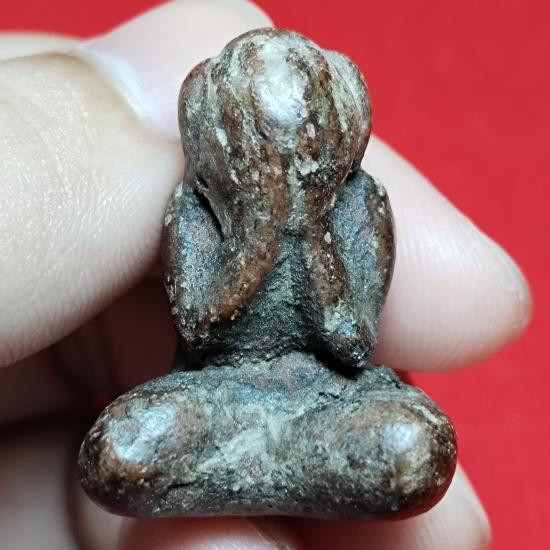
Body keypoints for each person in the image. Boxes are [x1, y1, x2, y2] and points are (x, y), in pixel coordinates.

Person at [0, 1, 530, 548]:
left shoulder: (360, 204)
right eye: (259, 142)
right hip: (219, 398)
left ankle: (288, 459)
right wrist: (259, 230)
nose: (282, 159)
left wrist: (312, 224)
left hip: (327, 398)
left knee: (410, 451)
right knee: (120, 455)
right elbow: (201, 335)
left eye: (301, 141)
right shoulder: (195, 208)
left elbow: (351, 342)